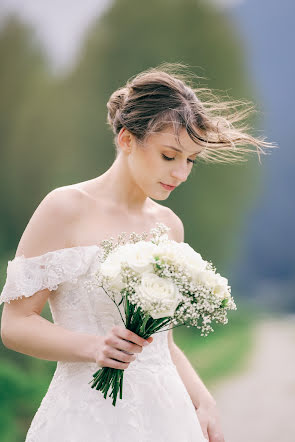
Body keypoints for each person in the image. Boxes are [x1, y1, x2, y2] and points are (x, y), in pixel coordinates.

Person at [0, 63, 276, 442]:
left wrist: (203, 399)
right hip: (86, 416)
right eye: (169, 155)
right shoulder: (64, 208)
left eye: (190, 160)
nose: (180, 173)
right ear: (128, 140)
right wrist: (95, 347)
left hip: (167, 415)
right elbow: (14, 324)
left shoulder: (169, 225)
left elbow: (163, 344)